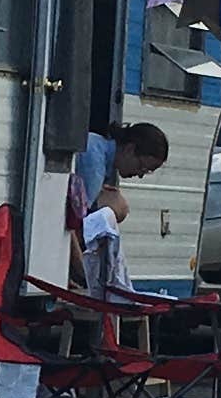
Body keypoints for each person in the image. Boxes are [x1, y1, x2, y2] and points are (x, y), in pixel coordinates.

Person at [65, 120, 169, 299]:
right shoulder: (95, 166)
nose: (141, 174)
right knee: (116, 208)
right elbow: (71, 221)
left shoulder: (96, 143)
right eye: (142, 167)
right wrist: (82, 271)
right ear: (129, 149)